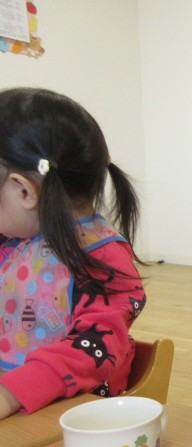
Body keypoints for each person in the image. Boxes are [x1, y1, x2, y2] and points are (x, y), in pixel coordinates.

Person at [0, 88, 146, 419]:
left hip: (78, 411)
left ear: (24, 191)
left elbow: (97, 345)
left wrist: (11, 394)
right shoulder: (14, 241)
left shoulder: (101, 254)